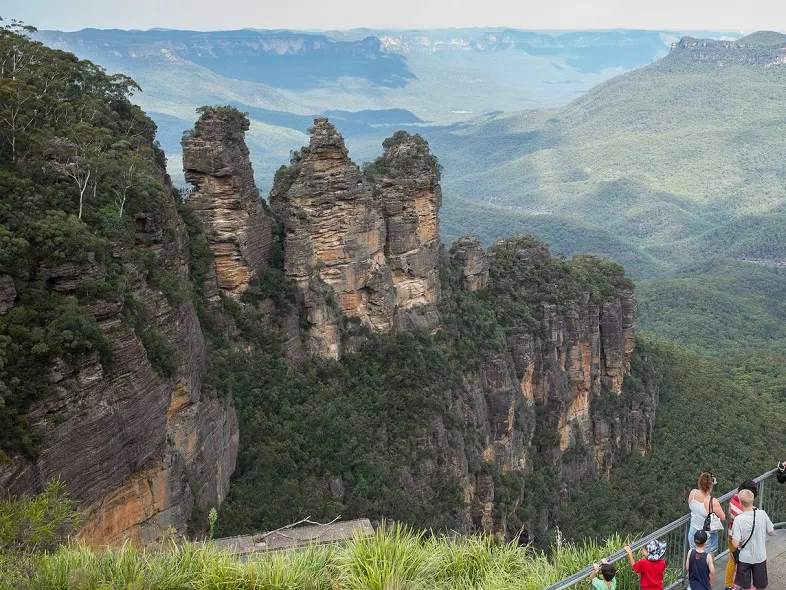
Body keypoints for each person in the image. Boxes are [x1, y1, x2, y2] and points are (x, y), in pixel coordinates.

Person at [731, 488, 776, 590]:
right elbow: (771, 531)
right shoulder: (762, 514)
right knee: (760, 585)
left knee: (744, 586)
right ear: (753, 500)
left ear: (740, 503)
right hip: (760, 556)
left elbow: (735, 544)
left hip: (744, 558)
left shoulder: (738, 519)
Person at [723, 479, 758, 590]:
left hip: (731, 534)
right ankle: (742, 585)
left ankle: (728, 585)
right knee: (744, 563)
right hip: (740, 539)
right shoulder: (745, 509)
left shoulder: (734, 498)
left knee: (732, 560)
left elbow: (729, 515)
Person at [687, 472, 725, 554]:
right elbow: (722, 517)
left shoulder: (693, 493)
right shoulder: (712, 502)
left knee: (694, 554)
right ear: (711, 485)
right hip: (706, 534)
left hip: (693, 530)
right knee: (707, 557)